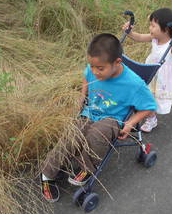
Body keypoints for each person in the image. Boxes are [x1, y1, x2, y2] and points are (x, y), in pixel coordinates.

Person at [40, 33, 157, 202]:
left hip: (112, 119)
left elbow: (149, 107)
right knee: (71, 136)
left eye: (100, 69)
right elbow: (86, 77)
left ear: (117, 63)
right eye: (92, 66)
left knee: (96, 134)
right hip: (89, 112)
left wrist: (130, 123)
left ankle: (87, 167)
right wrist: (81, 98)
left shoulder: (134, 84)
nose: (94, 72)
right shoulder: (93, 68)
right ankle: (47, 175)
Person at [122, 7, 172, 133]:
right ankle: (151, 118)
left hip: (167, 78)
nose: (150, 28)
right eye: (150, 25)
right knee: (149, 95)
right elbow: (138, 37)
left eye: (153, 26)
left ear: (166, 29)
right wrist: (129, 32)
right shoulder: (154, 38)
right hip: (153, 72)